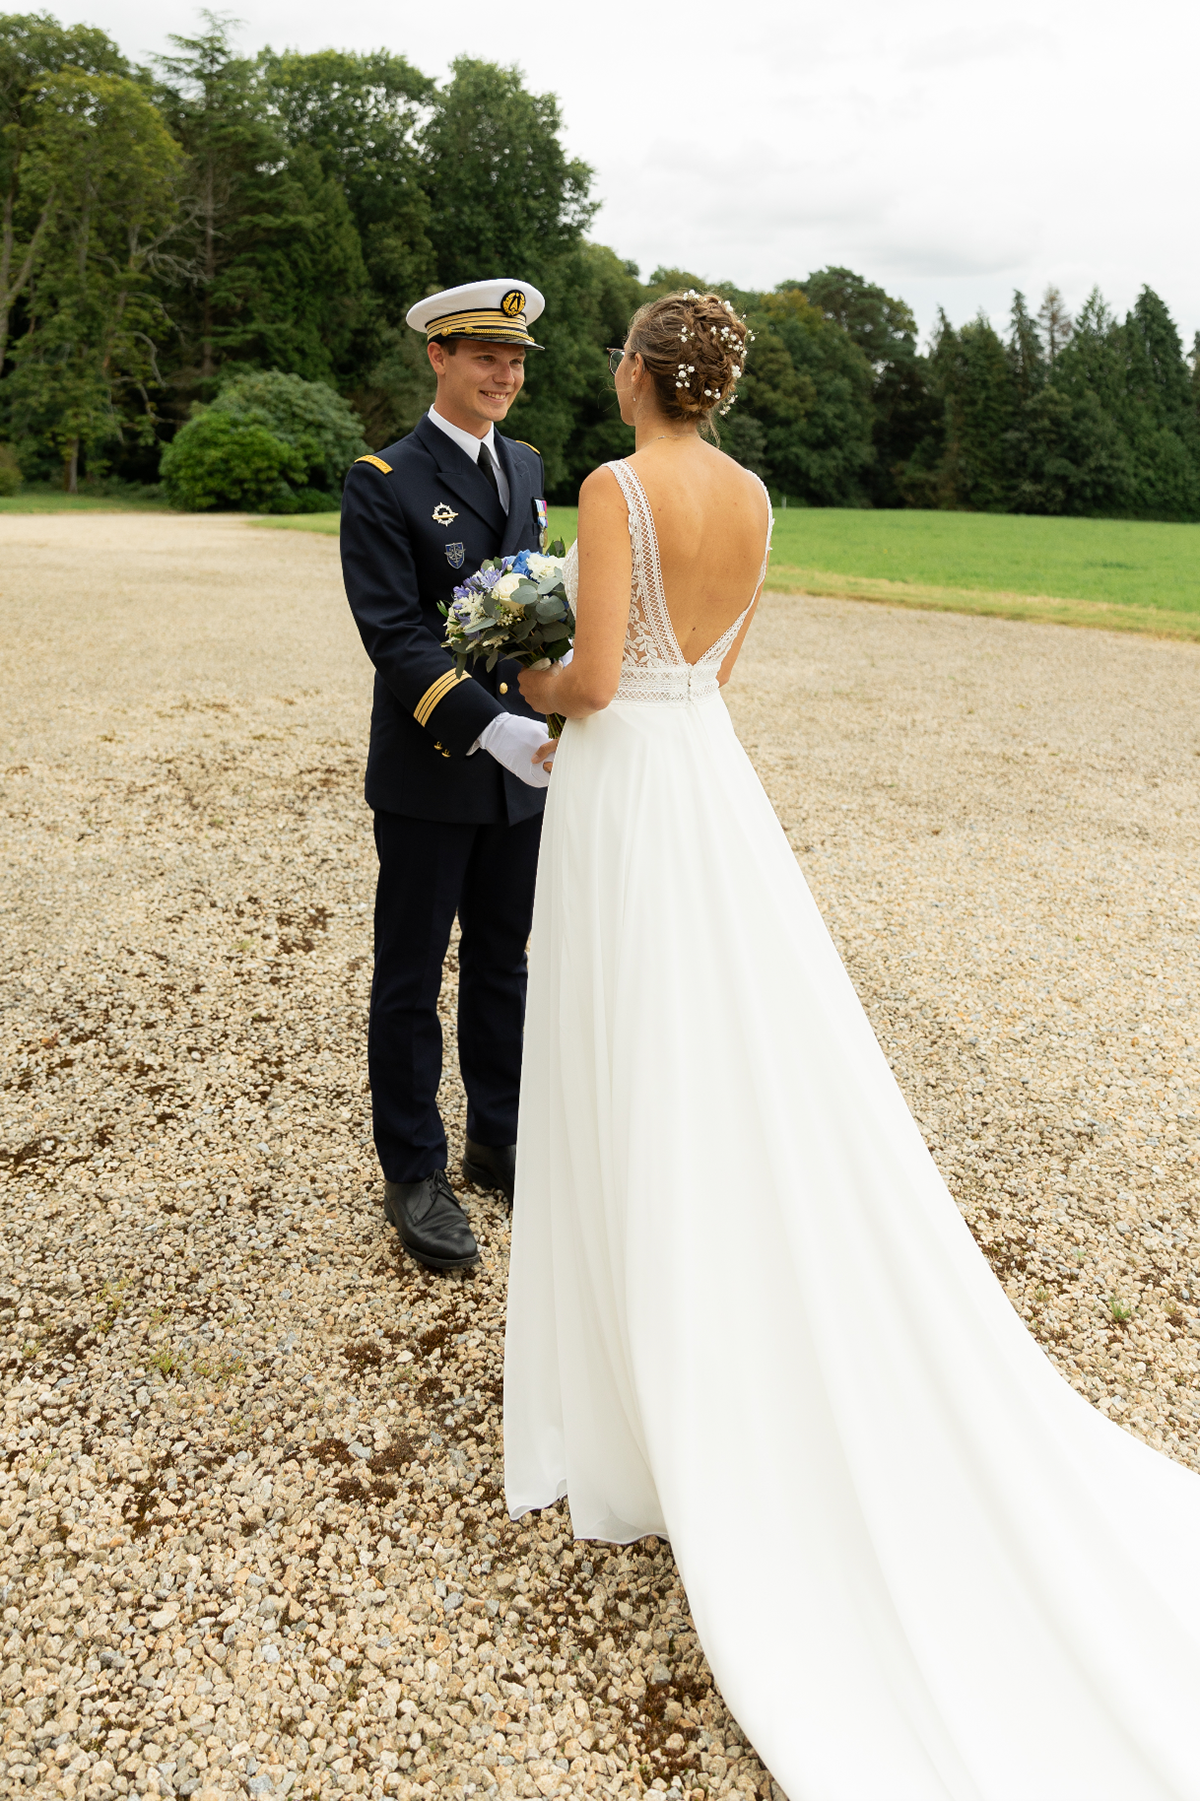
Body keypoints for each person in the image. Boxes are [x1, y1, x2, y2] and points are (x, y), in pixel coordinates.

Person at [503, 290, 1200, 1798]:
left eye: (617, 356)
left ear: (636, 374)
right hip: (711, 782)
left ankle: (647, 1397)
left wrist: (523, 677)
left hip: (628, 791)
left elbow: (601, 680)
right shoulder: (756, 497)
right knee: (728, 1051)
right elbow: (711, 673)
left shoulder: (615, 487)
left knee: (632, 1053)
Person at [340, 279, 554, 1274]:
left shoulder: (527, 462)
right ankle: (414, 1168)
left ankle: (497, 1139)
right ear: (439, 356)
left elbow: (533, 609)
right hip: (436, 768)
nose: (503, 376)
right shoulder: (384, 479)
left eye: (514, 361)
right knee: (412, 973)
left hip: (523, 768)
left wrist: (548, 711)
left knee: (505, 963)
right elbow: (395, 635)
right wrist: (487, 727)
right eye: (484, 358)